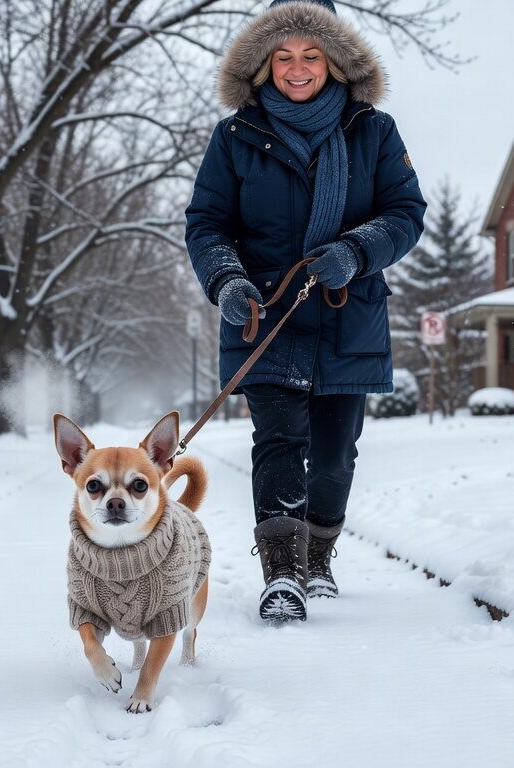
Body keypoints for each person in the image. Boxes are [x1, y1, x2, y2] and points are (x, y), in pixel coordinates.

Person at [183, 0, 426, 621]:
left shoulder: (374, 130)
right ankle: (283, 575)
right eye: (283, 56)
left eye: (310, 55)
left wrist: (357, 250)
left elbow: (405, 214)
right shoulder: (235, 136)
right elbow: (208, 222)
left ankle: (319, 557)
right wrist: (226, 280)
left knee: (336, 452)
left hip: (348, 313)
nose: (297, 68)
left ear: (335, 61)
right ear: (263, 64)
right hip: (265, 316)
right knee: (279, 442)